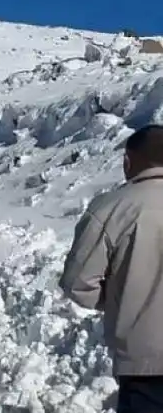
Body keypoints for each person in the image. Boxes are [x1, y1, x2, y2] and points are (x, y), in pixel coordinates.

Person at [60, 124, 163, 412]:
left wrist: (119, 300)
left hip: (146, 361)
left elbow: (78, 283)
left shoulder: (111, 208)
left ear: (128, 162)